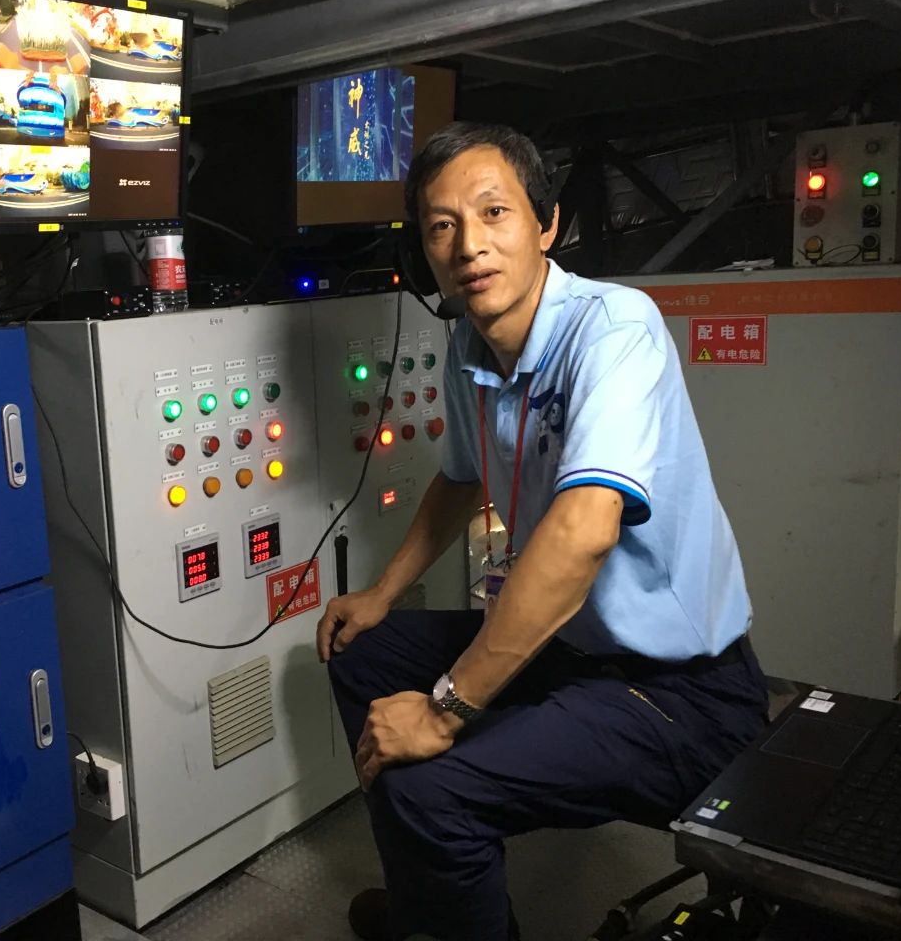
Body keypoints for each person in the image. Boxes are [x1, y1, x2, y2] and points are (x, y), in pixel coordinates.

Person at [317, 122, 769, 941]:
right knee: (361, 650)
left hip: (681, 695)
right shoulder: (466, 344)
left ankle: (438, 881)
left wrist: (445, 711)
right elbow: (460, 478)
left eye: (494, 213)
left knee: (431, 789)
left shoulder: (615, 328)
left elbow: (584, 530)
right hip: (570, 651)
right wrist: (381, 593)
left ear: (546, 224)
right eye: (442, 226)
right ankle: (432, 904)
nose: (469, 245)